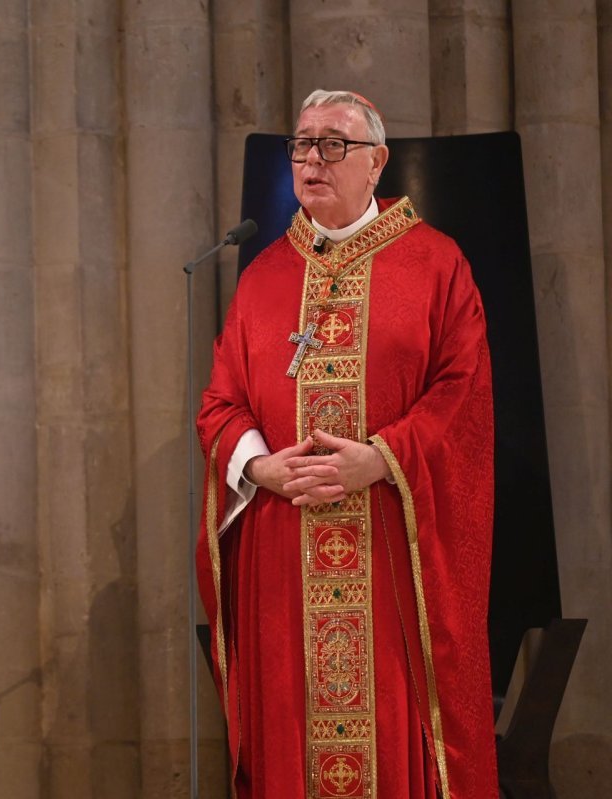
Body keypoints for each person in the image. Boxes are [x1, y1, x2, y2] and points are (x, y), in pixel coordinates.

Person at [196, 90, 498, 798]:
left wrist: (381, 457)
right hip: (284, 559)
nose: (313, 158)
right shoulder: (264, 275)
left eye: (334, 144)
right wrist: (258, 465)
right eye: (302, 144)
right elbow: (220, 403)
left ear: (377, 163)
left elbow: (463, 395)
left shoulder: (434, 264)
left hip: (391, 548)